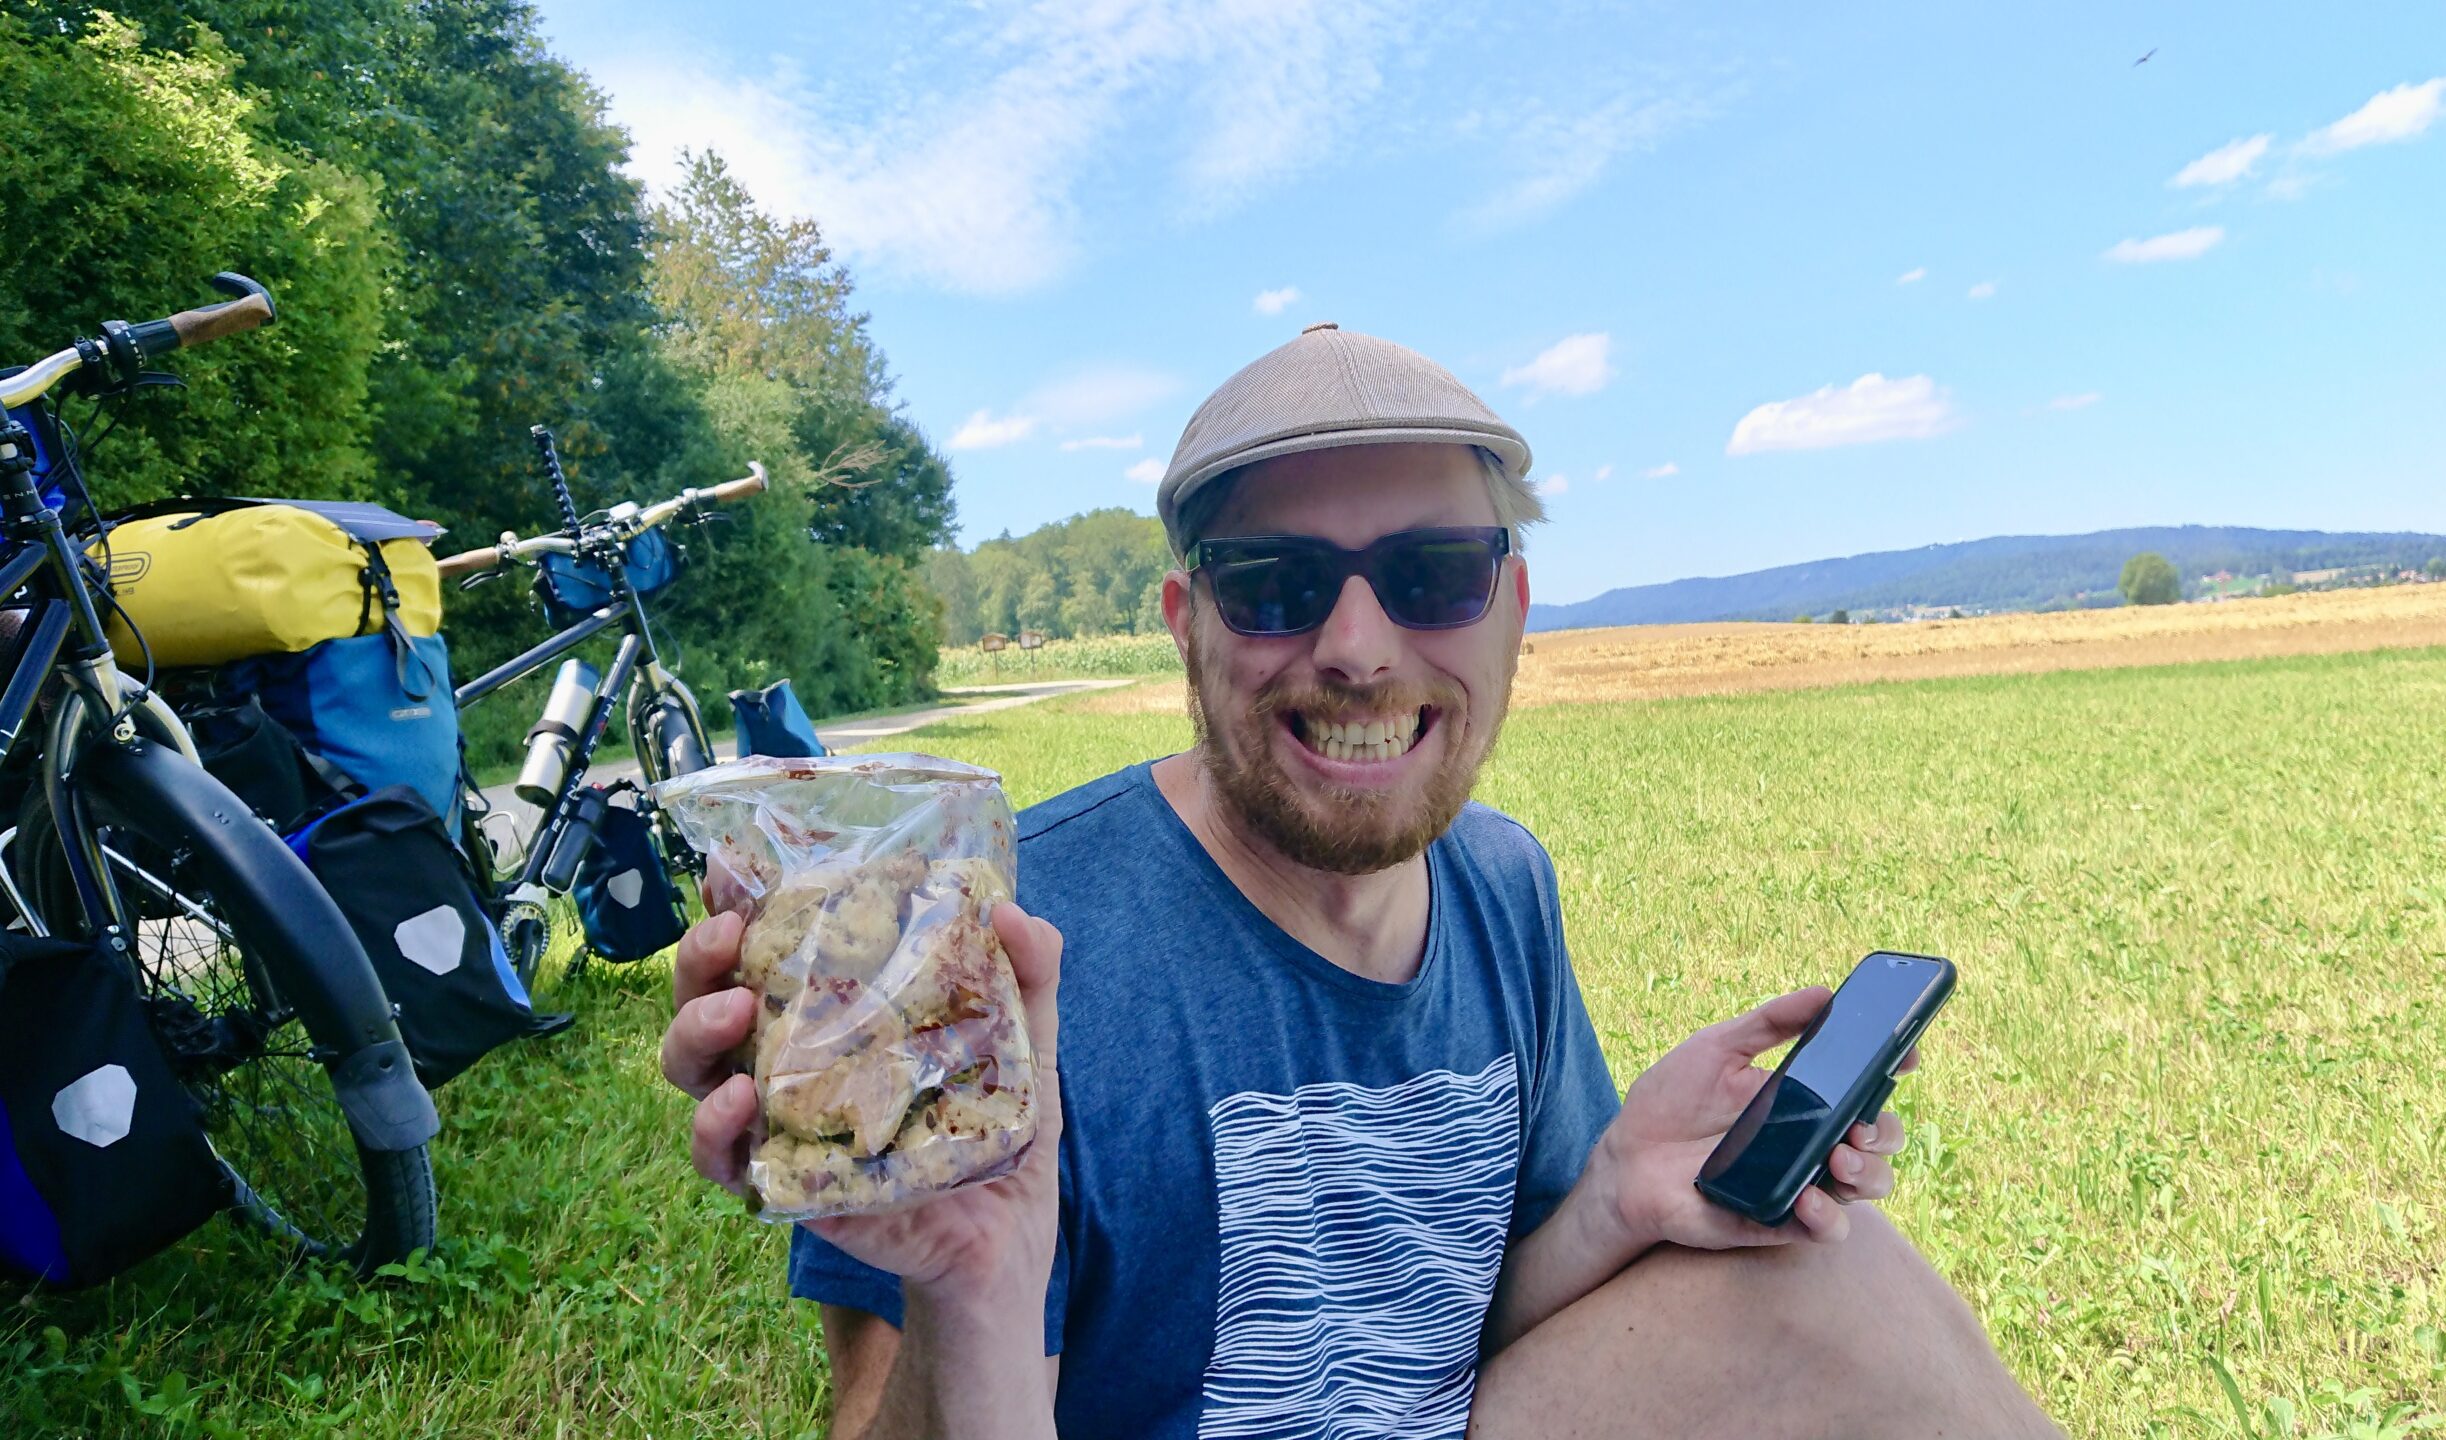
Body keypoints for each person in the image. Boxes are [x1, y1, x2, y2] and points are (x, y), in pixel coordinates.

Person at [660, 323, 2061, 1439]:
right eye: (1273, 584)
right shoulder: (1007, 938)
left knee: (1845, 1280)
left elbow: (1465, 1331)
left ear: (1511, 611)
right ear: (1185, 624)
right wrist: (973, 1287)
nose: (1358, 646)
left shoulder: (1501, 885)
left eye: (1432, 572)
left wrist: (1623, 1192)